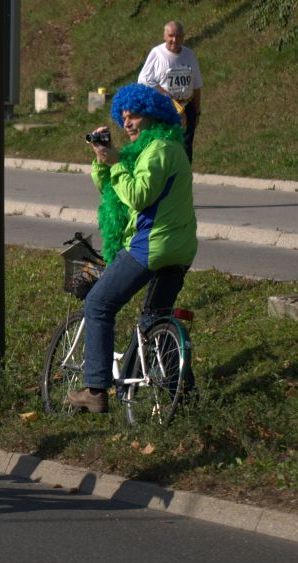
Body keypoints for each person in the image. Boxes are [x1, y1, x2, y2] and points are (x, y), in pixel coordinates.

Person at [67, 83, 197, 414]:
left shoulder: (160, 151)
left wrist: (115, 164)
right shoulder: (156, 149)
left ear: (153, 115)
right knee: (157, 318)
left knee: (98, 303)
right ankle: (183, 395)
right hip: (179, 250)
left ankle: (95, 388)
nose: (127, 123)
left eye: (134, 115)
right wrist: (103, 159)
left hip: (152, 245)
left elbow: (139, 196)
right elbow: (114, 192)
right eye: (123, 117)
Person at [137, 20, 203, 163]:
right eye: (171, 36)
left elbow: (197, 85)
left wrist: (197, 111)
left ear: (183, 36)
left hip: (186, 108)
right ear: (164, 36)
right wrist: (164, 94)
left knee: (186, 147)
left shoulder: (189, 55)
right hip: (165, 109)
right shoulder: (157, 53)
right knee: (165, 146)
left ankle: (184, 178)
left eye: (178, 36)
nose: (174, 40)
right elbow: (143, 80)